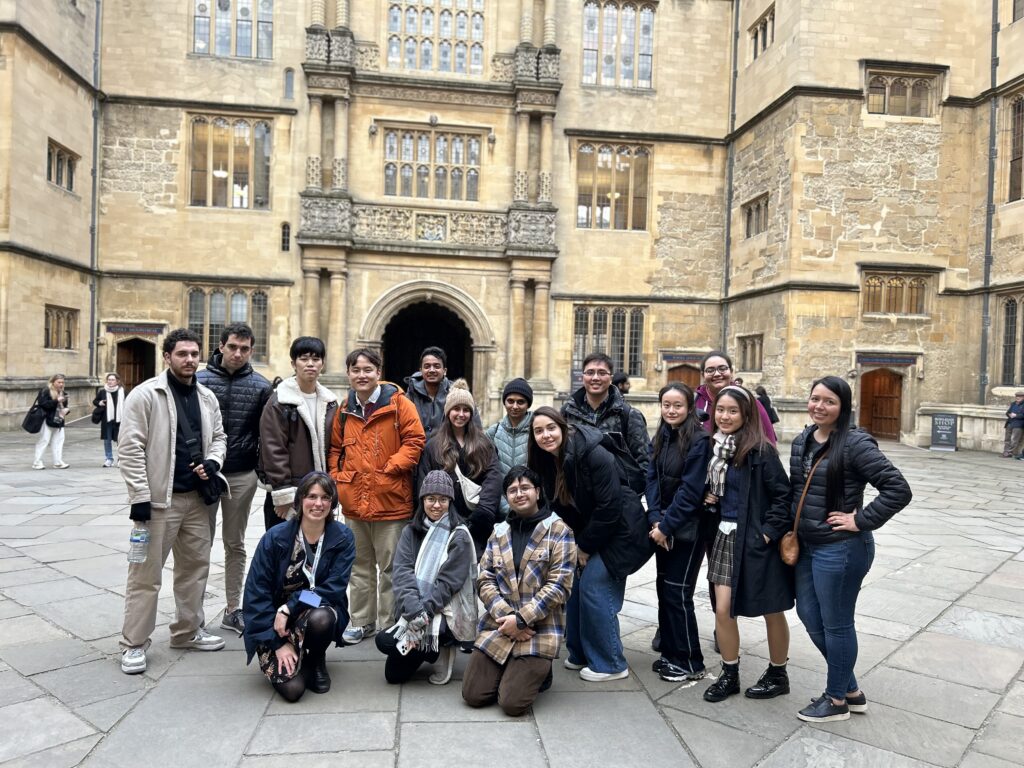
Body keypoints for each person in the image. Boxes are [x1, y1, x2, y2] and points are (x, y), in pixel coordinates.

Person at [790, 376, 912, 722]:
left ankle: (836, 700)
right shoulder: (802, 440)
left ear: (843, 406)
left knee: (837, 625)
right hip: (808, 546)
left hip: (841, 550)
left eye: (829, 401)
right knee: (809, 616)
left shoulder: (855, 443)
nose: (819, 406)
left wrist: (861, 520)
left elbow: (897, 489)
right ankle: (851, 691)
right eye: (815, 399)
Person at [117, 328, 228, 675]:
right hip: (158, 503)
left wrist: (214, 461)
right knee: (145, 574)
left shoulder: (207, 397)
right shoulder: (146, 395)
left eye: (195, 354)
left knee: (195, 570)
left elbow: (220, 437)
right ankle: (134, 643)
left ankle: (187, 631)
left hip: (197, 500)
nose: (190, 360)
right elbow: (130, 448)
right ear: (167, 357)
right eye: (182, 354)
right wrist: (139, 495)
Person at [528, 406, 650, 682]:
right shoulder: (548, 461)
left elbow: (610, 506)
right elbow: (559, 508)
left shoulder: (593, 452)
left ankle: (610, 663)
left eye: (550, 428)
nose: (545, 435)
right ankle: (581, 653)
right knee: (576, 585)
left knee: (595, 585)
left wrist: (583, 547)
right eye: (538, 431)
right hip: (593, 531)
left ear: (562, 427)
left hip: (622, 530)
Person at [701, 385, 794, 703]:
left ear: (746, 415)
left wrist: (767, 533)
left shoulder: (761, 451)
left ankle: (778, 673)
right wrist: (709, 498)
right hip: (724, 538)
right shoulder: (715, 450)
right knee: (723, 609)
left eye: (732, 411)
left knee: (772, 608)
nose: (725, 416)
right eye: (721, 410)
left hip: (756, 541)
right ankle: (730, 674)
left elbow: (784, 495)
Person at [328, 348, 425, 645]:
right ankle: (361, 621)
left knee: (391, 568)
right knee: (358, 566)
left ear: (378, 373)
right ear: (348, 374)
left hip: (391, 501)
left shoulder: (399, 404)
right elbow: (334, 449)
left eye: (367, 370)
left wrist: (391, 468)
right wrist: (336, 478)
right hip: (354, 502)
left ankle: (388, 622)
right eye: (356, 370)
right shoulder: (344, 409)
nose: (362, 375)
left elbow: (416, 439)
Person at [462, 466, 576, 715]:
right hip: (500, 625)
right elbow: (484, 577)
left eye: (525, 488)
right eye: (512, 490)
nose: (519, 494)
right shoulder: (498, 531)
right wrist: (508, 619)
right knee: (473, 695)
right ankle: (510, 668)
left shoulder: (559, 531)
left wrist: (522, 620)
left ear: (537, 491)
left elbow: (559, 585)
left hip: (538, 629)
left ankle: (539, 673)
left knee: (512, 704)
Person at [243, 472, 356, 702]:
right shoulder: (275, 538)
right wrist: (277, 644)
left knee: (323, 617)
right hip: (273, 623)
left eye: (325, 497)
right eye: (311, 496)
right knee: (294, 691)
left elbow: (333, 588)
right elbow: (256, 594)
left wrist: (290, 607)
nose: (318, 504)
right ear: (300, 500)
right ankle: (290, 653)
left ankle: (315, 657)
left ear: (333, 502)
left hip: (312, 608)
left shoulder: (343, 537)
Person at [196, 322, 272, 636]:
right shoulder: (199, 381)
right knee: (198, 545)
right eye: (232, 347)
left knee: (235, 544)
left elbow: (265, 434)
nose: (238, 353)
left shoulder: (261, 385)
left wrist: (260, 470)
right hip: (204, 475)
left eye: (244, 349)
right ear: (221, 346)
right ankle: (193, 612)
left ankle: (232, 608)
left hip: (241, 474)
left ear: (251, 350)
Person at [375, 470, 477, 685]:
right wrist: (415, 611)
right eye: (431, 499)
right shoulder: (410, 531)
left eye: (442, 499)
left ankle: (440, 645)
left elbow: (448, 584)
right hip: (415, 612)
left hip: (442, 610)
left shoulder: (459, 535)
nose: (436, 505)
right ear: (423, 500)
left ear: (451, 501)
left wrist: (425, 612)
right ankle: (429, 650)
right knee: (392, 670)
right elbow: (402, 573)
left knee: (392, 644)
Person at [646, 384, 713, 682]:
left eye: (677, 406)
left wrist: (666, 526)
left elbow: (691, 491)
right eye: (666, 405)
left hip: (687, 529)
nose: (671, 411)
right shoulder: (662, 434)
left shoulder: (700, 441)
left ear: (689, 408)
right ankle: (670, 653)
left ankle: (690, 661)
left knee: (678, 592)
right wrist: (654, 519)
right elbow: (651, 477)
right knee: (665, 591)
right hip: (663, 526)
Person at [259, 337, 339, 531]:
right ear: (294, 363)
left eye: (316, 359)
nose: (310, 364)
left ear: (323, 363)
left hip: (320, 490)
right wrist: (283, 494)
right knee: (282, 551)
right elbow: (273, 448)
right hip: (290, 488)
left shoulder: (331, 402)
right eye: (304, 359)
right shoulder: (279, 401)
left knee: (316, 548)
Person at [418, 379, 501, 556]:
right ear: (448, 412)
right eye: (456, 409)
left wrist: (482, 514)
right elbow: (423, 483)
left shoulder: (483, 443)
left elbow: (493, 478)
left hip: (477, 524)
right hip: (442, 522)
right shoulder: (433, 445)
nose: (461, 414)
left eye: (466, 410)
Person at [561, 352, 649, 478]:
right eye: (590, 372)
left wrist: (629, 494)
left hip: (618, 493)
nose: (595, 378)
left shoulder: (629, 415)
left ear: (611, 378)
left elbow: (644, 462)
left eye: (602, 373)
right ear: (583, 376)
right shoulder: (567, 412)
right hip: (577, 493)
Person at [695, 352, 776, 444]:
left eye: (722, 369)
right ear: (703, 375)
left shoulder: (749, 401)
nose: (717, 374)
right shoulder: (694, 403)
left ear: (731, 372)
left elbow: (768, 439)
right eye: (710, 370)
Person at [485, 378, 535, 519]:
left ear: (528, 404)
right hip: (500, 510)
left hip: (531, 508)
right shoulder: (492, 433)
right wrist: (506, 506)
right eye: (510, 401)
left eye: (520, 402)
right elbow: (489, 474)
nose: (514, 406)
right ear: (504, 402)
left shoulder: (536, 432)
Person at [404, 346, 479, 439]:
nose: (431, 370)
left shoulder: (458, 394)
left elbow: (476, 428)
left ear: (445, 371)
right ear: (421, 370)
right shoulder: (410, 395)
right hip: (417, 450)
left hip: (449, 451)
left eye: (437, 366)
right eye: (427, 366)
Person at [32, 373, 70, 470]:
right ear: (53, 382)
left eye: (62, 382)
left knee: (59, 441)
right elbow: (43, 404)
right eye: (59, 382)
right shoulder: (45, 391)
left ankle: (58, 462)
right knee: (44, 440)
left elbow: (64, 407)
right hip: (47, 419)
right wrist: (56, 400)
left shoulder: (63, 393)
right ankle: (37, 462)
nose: (61, 384)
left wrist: (67, 410)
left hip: (59, 420)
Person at [92, 372, 125, 468]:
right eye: (109, 380)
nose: (110, 381)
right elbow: (95, 401)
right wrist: (100, 402)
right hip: (107, 420)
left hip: (120, 420)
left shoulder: (122, 391)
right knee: (107, 440)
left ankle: (121, 459)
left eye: (112, 380)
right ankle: (109, 459)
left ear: (117, 381)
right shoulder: (103, 391)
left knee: (121, 440)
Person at [1003, 391, 1024, 458]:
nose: (1018, 397)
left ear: (1023, 397)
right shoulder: (1013, 403)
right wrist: (1009, 414)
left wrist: (1016, 415)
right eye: (1017, 396)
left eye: (1020, 396)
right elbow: (1007, 412)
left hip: (1018, 424)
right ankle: (1005, 452)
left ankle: (1010, 453)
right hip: (1010, 423)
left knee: (1014, 440)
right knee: (1007, 439)